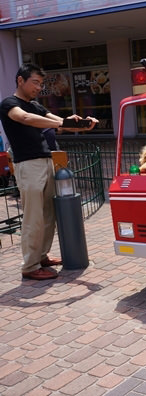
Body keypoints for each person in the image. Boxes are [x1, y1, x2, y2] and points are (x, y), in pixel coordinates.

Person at [0, 63, 98, 280]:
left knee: (48, 214)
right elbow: (25, 119)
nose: (38, 88)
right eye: (35, 82)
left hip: (46, 161)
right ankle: (30, 266)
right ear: (20, 81)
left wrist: (81, 124)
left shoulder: (35, 105)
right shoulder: (9, 104)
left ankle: (41, 256)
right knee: (33, 217)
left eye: (41, 84)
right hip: (28, 165)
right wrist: (63, 122)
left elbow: (58, 123)